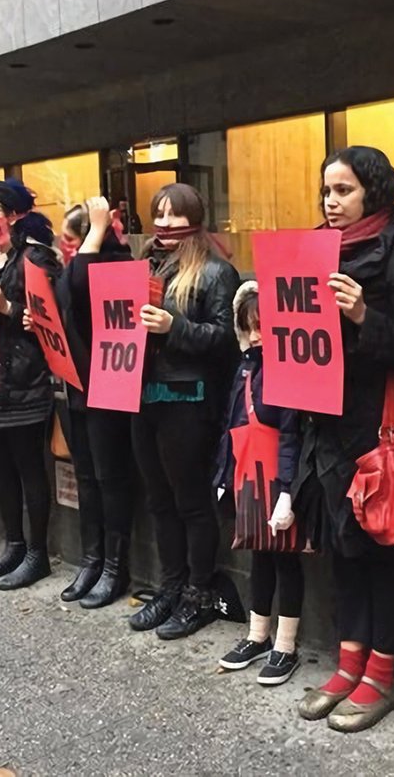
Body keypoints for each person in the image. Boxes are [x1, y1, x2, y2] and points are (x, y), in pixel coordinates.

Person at [292, 146, 394, 733]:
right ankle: (349, 662)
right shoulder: (316, 250)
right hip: (328, 425)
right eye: (326, 190)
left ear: (373, 190)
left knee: (385, 553)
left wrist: (362, 318)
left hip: (380, 431)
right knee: (345, 551)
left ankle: (382, 672)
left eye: (343, 190)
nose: (330, 201)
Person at [128, 183, 240, 640]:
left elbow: (228, 338)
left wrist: (175, 327)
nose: (165, 222)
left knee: (192, 503)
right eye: (159, 213)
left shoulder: (216, 271)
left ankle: (198, 593)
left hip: (189, 400)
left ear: (194, 217)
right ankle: (170, 587)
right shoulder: (144, 264)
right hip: (142, 394)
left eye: (175, 214)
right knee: (159, 500)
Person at [0, 180, 60, 590]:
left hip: (23, 378)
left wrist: (7, 306)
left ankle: (37, 553)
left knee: (28, 467)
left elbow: (51, 317)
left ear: (15, 215)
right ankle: (13, 545)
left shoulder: (36, 258)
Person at [213, 281, 305, 686]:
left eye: (262, 327)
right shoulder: (244, 368)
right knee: (259, 555)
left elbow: (292, 434)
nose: (254, 336)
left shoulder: (288, 372)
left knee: (286, 558)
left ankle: (286, 644)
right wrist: (222, 475)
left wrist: (287, 490)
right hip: (247, 475)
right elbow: (230, 423)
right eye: (248, 327)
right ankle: (257, 634)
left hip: (278, 479)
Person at [54, 198, 137, 608]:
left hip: (109, 390)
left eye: (72, 240)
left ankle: (115, 568)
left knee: (110, 480)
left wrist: (97, 231)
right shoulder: (76, 265)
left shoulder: (116, 262)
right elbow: (64, 293)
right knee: (86, 477)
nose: (67, 248)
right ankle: (92, 559)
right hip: (76, 387)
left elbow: (80, 285)